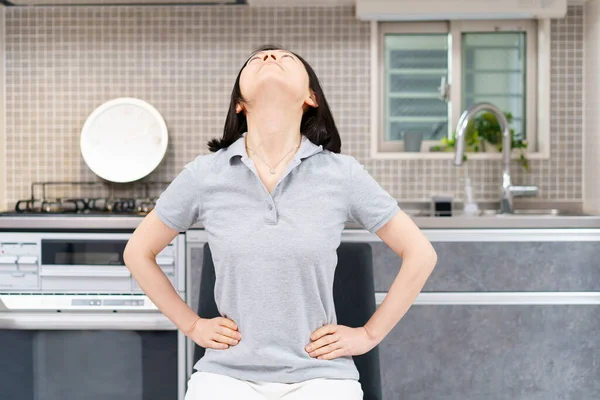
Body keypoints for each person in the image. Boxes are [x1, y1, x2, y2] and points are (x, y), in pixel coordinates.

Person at [123, 44, 438, 400]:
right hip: (227, 375)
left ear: (311, 98)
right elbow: (138, 252)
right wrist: (192, 324)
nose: (270, 57)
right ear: (239, 103)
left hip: (321, 376)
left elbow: (420, 254)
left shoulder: (342, 174)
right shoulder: (205, 174)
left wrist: (368, 335)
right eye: (256, 59)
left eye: (286, 58)